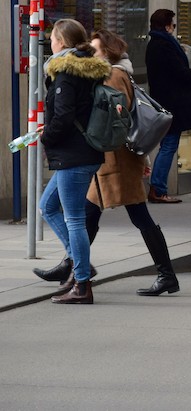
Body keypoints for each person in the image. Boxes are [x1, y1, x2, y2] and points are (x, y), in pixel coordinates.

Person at [86, 30, 180, 296]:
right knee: (89, 216)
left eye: (95, 49)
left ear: (108, 51)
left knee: (139, 216)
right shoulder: (112, 74)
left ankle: (166, 275)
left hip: (118, 161)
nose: (92, 53)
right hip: (111, 161)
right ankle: (73, 267)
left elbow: (118, 118)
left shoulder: (114, 75)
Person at [37, 19, 110, 305]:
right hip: (84, 153)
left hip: (73, 155)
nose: (50, 42)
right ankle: (82, 264)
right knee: (47, 206)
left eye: (52, 37)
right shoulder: (88, 71)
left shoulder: (66, 73)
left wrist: (47, 137)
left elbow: (64, 116)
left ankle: (82, 284)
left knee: (74, 219)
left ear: (62, 42)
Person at [145, 9, 191, 203]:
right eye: (173, 24)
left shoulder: (157, 45)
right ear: (167, 25)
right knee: (168, 145)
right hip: (172, 103)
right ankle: (158, 189)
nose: (173, 28)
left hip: (166, 102)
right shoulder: (164, 46)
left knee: (167, 145)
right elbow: (178, 72)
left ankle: (158, 188)